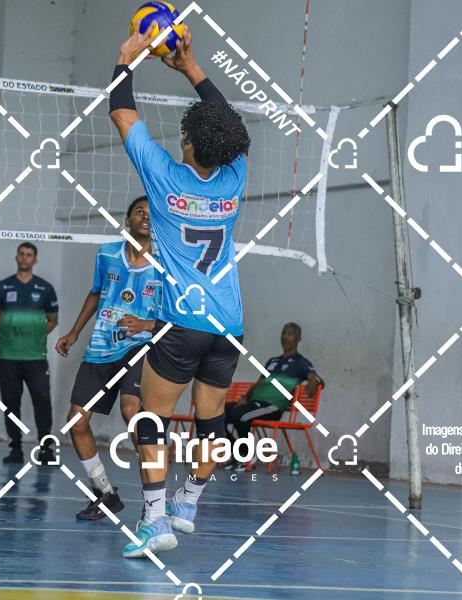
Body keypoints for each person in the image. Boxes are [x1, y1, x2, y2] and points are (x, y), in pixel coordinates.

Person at [110, 27, 251, 557]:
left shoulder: (165, 177)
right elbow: (231, 125)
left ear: (189, 142)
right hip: (229, 325)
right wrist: (192, 67)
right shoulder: (235, 176)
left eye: (185, 134)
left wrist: (126, 59)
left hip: (182, 325)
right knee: (211, 419)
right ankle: (187, 501)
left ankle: (154, 521)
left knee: (152, 421)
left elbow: (122, 113)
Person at [56, 196, 160, 520]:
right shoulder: (107, 254)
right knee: (77, 421)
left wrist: (146, 325)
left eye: (150, 214)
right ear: (127, 220)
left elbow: (179, 313)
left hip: (140, 345)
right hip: (100, 347)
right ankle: (105, 494)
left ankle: (155, 499)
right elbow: (95, 293)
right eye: (139, 212)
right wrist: (74, 331)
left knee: (131, 411)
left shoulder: (167, 263)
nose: (145, 217)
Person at [0, 242, 59, 464]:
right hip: (8, 356)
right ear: (16, 257)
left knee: (42, 400)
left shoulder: (45, 289)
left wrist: (34, 335)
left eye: (29, 255)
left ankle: (46, 450)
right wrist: (13, 334)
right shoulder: (2, 287)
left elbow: (53, 320)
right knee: (11, 402)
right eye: (21, 254)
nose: (25, 257)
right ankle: (15, 449)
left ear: (34, 260)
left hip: (36, 357)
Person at [224, 322, 323, 471]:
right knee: (215, 415)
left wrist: (313, 382)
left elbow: (316, 378)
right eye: (284, 333)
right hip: (253, 403)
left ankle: (244, 457)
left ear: (298, 338)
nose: (285, 337)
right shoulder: (272, 361)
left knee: (241, 416)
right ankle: (238, 453)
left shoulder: (301, 363)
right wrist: (245, 397)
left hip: (272, 406)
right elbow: (259, 383)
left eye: (290, 334)